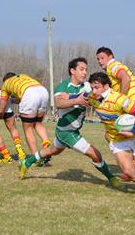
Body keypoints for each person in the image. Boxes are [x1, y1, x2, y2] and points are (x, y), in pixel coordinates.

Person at [18, 58, 121, 188]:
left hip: (70, 130)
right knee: (95, 154)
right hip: (66, 131)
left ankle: (26, 162)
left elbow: (96, 96)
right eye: (82, 69)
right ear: (73, 71)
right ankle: (111, 178)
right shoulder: (62, 87)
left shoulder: (88, 86)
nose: (85, 72)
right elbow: (59, 103)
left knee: (52, 151)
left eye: (86, 70)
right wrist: (76, 100)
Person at [86, 72, 135, 199]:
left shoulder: (119, 99)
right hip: (117, 140)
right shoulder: (92, 97)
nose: (93, 91)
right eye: (92, 88)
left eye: (97, 87)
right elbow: (78, 97)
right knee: (128, 171)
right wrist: (67, 96)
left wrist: (132, 131)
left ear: (106, 86)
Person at [0, 72, 52, 165]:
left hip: (29, 93)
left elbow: (2, 105)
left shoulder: (6, 85)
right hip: (43, 91)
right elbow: (20, 97)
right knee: (38, 123)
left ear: (5, 80)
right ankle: (46, 143)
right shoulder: (23, 76)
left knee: (28, 128)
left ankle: (36, 158)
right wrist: (14, 100)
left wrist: (0, 114)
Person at [95, 47, 135, 112]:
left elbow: (126, 79)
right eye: (98, 59)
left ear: (110, 57)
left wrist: (120, 100)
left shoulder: (112, 65)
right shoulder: (117, 66)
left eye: (102, 58)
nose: (100, 61)